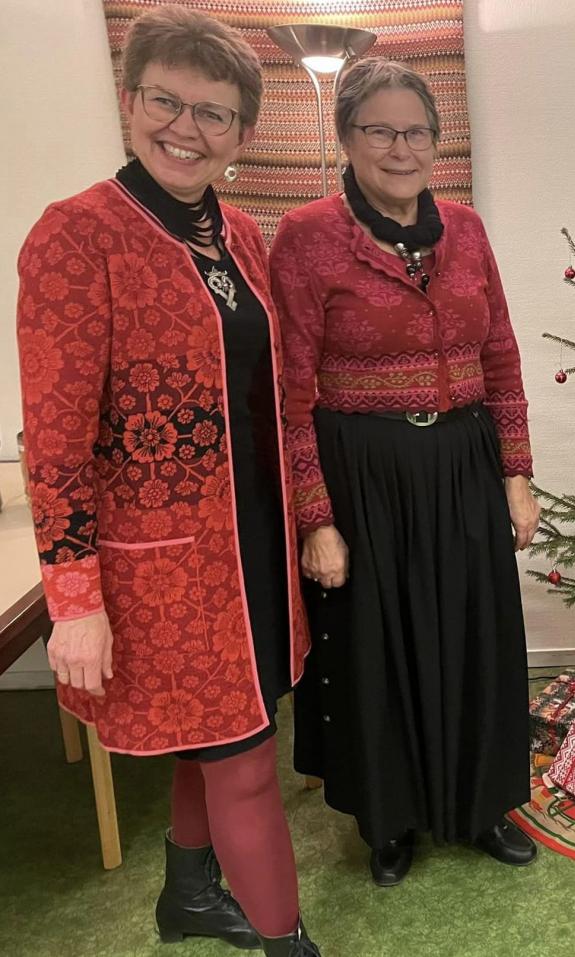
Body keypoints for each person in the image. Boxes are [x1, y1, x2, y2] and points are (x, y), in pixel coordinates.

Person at [16, 7, 320, 955]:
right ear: (130, 98)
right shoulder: (75, 237)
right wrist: (73, 599)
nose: (186, 128)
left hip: (253, 552)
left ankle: (187, 894)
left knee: (224, 731)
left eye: (214, 114)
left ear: (243, 134)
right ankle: (288, 942)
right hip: (161, 572)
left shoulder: (237, 231)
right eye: (167, 102)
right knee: (244, 762)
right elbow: (55, 438)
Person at [269, 57, 539, 887]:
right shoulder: (307, 236)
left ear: (436, 140)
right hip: (365, 474)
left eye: (415, 131)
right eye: (380, 130)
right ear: (348, 137)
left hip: (463, 458)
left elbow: (499, 351)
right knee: (377, 651)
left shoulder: (466, 227)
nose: (400, 147)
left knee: (476, 636)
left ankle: (485, 803)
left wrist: (517, 473)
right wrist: (316, 518)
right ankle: (390, 822)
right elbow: (290, 388)